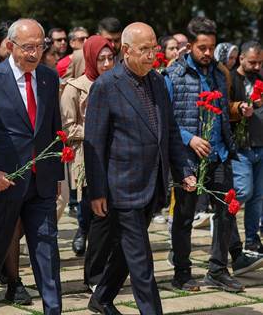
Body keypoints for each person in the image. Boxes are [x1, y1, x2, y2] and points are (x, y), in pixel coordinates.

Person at [84, 22, 197, 315]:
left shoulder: (158, 82)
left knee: (127, 250)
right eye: (144, 50)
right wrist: (96, 190)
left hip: (153, 182)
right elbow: (93, 141)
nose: (151, 55)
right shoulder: (107, 86)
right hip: (121, 186)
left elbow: (169, 132)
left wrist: (183, 169)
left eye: (154, 48)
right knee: (142, 260)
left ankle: (102, 298)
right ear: (126, 50)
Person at [0, 18, 64, 315]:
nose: (34, 53)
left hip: (43, 180)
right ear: (10, 46)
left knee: (47, 246)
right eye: (28, 47)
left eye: (40, 46)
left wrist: (57, 173)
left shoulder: (49, 78)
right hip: (4, 179)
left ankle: (53, 308)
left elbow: (53, 128)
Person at [164, 16, 261, 293]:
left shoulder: (220, 73)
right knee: (184, 216)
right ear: (190, 45)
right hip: (187, 158)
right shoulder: (173, 74)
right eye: (202, 48)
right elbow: (166, 119)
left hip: (219, 153)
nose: (207, 53)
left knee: (226, 212)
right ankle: (182, 273)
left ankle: (218, 269)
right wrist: (189, 138)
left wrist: (237, 109)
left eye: (211, 47)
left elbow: (222, 108)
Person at [60, 35, 115, 259]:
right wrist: (97, 130)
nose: (107, 64)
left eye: (111, 58)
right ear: (91, 59)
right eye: (101, 59)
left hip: (115, 156)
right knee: (89, 205)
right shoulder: (75, 88)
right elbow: (67, 128)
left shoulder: (117, 83)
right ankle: (83, 231)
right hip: (87, 153)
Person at [229, 41, 263, 255]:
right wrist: (239, 108)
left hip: (260, 144)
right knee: (243, 191)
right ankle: (224, 223)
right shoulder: (231, 78)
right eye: (252, 62)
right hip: (241, 146)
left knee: (258, 197)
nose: (257, 66)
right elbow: (224, 106)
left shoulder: (261, 78)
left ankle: (252, 239)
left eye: (260, 62)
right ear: (241, 58)